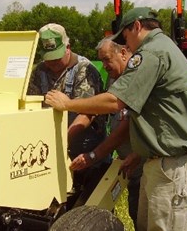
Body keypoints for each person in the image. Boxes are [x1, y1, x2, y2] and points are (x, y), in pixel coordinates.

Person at [44, 8, 187, 231]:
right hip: (162, 161)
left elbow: (116, 102)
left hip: (173, 165)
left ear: (137, 26)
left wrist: (68, 104)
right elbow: (159, 113)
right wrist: (139, 153)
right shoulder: (164, 48)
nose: (126, 45)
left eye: (125, 37)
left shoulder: (151, 53)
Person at [27, 23, 108, 208]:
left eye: (57, 58)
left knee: (88, 211)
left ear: (68, 48)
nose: (53, 64)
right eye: (49, 59)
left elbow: (88, 113)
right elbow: (32, 106)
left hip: (86, 155)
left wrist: (62, 140)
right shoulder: (39, 72)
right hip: (52, 152)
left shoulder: (85, 71)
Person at [67, 37, 143, 230]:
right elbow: (97, 109)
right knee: (134, 211)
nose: (105, 66)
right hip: (127, 160)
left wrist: (94, 155)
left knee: (145, 213)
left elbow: (124, 129)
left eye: (107, 59)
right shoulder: (114, 77)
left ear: (123, 53)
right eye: (101, 61)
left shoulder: (137, 79)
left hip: (143, 160)